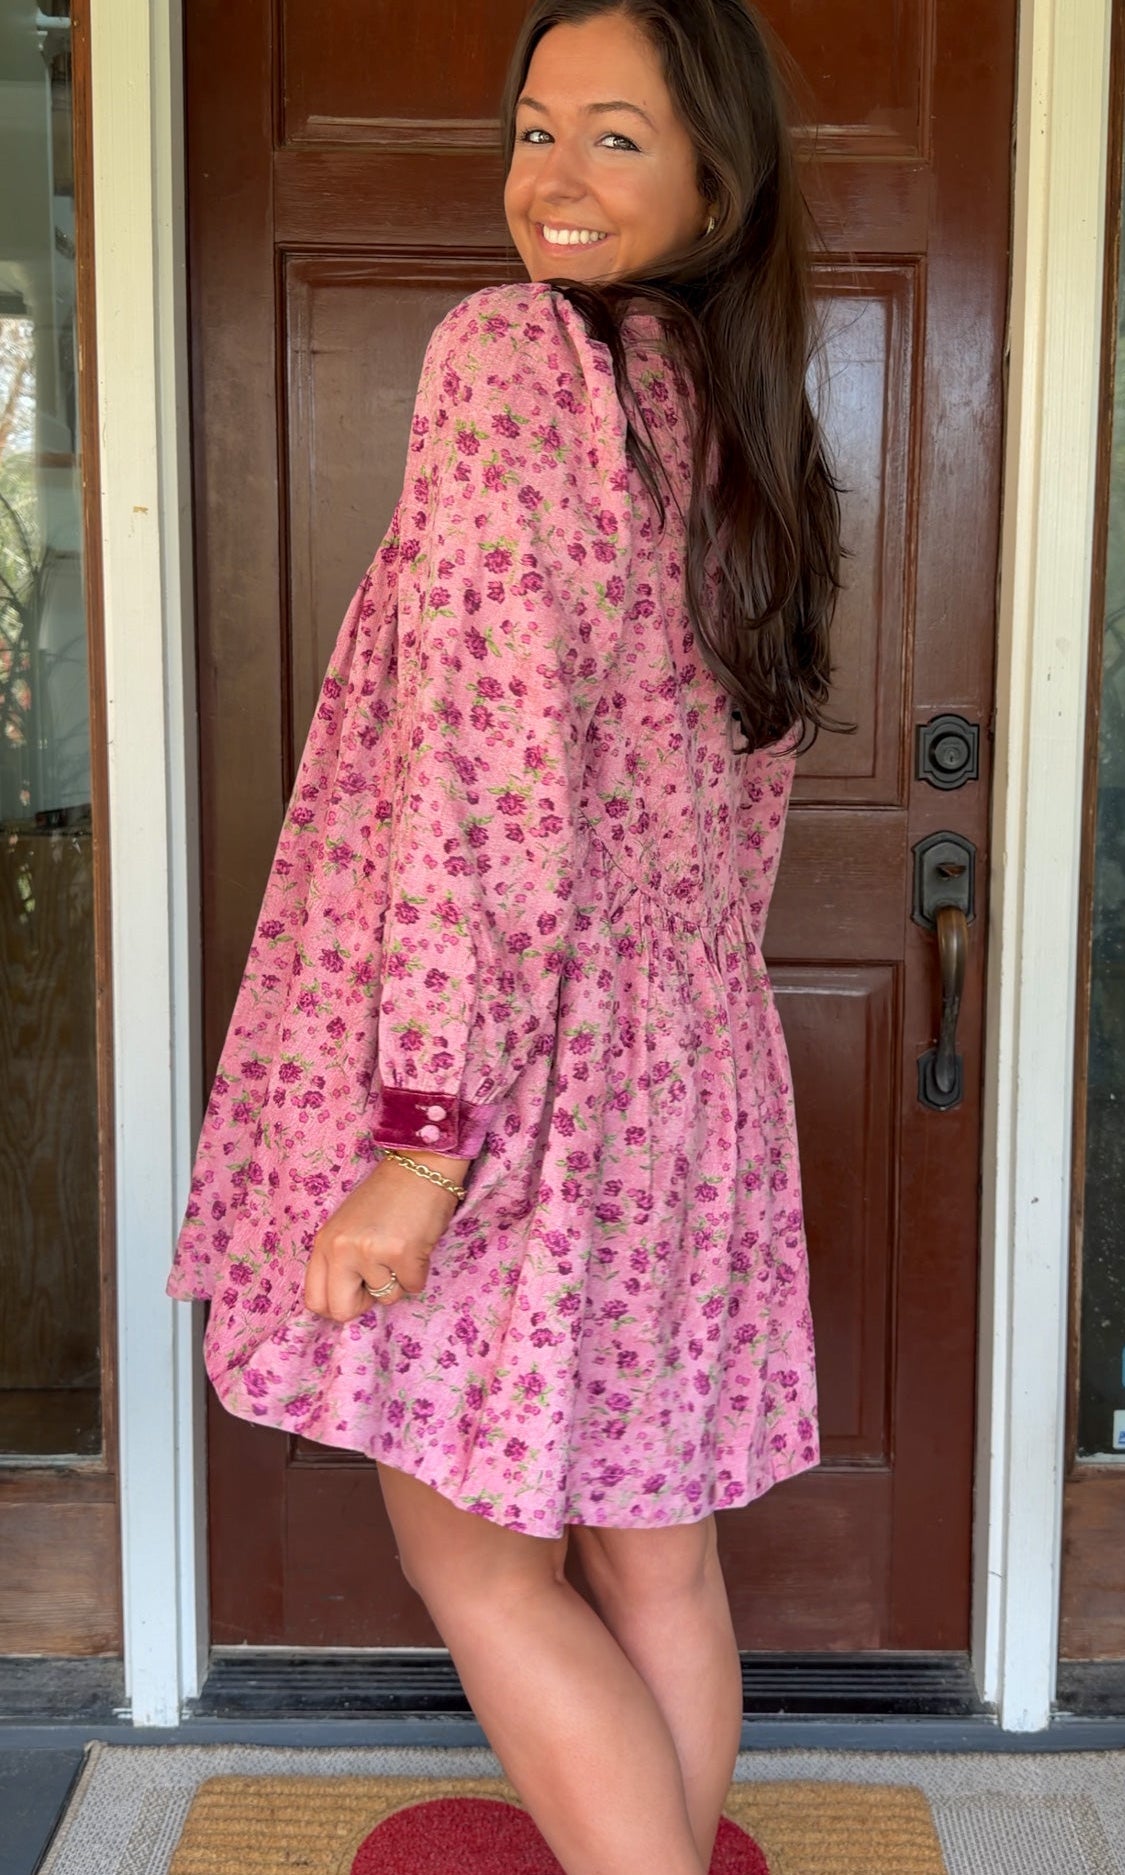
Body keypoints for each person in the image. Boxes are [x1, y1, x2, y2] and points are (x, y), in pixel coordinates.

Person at [168, 3, 845, 1870]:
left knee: (477, 1567)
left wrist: (417, 1143)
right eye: (535, 128)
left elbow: (487, 783)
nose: (550, 176)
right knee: (656, 1561)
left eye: (616, 135)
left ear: (717, 173)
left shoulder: (509, 359)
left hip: (508, 1081)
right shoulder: (749, 431)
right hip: (689, 1073)